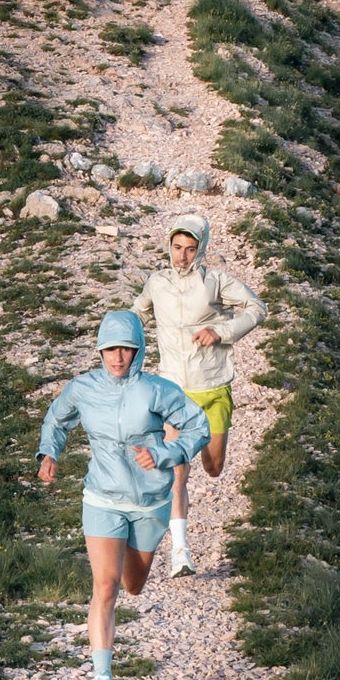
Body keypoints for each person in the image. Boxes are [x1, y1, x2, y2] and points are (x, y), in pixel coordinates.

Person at [37, 310, 209, 680]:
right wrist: (49, 451)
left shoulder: (156, 390)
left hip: (150, 503)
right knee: (106, 586)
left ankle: (143, 565)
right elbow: (56, 419)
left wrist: (165, 452)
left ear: (138, 351)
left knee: (134, 584)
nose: (118, 357)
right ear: (100, 350)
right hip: (102, 498)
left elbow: (198, 427)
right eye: (111, 349)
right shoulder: (83, 388)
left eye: (126, 349)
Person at [131, 212, 266, 577]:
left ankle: (212, 457)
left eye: (190, 249)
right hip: (174, 391)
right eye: (177, 248)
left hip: (213, 388)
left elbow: (258, 309)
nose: (182, 256)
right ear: (169, 247)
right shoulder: (157, 284)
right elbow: (134, 317)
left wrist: (221, 331)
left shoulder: (217, 281)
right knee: (177, 473)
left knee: (213, 466)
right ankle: (180, 553)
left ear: (201, 249)